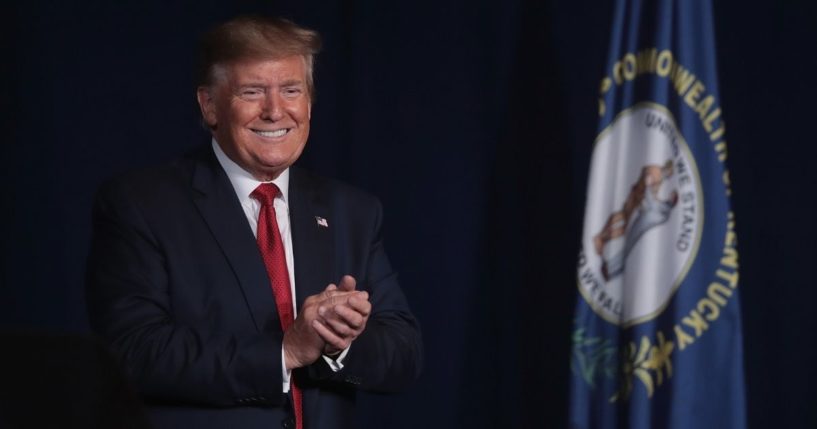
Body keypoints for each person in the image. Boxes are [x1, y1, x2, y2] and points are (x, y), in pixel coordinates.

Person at [86, 15, 422, 429]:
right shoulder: (141, 204)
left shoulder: (351, 211)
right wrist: (286, 352)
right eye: (252, 91)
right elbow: (132, 352)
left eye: (291, 90)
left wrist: (341, 342)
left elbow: (404, 354)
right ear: (209, 105)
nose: (275, 110)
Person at [593, 160, 678, 280]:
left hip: (641, 216)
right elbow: (645, 174)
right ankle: (603, 241)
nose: (670, 175)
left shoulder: (665, 209)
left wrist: (648, 189)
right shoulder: (656, 172)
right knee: (621, 223)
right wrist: (646, 185)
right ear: (668, 169)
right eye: (670, 172)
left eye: (672, 196)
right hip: (637, 201)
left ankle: (610, 267)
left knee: (626, 239)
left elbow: (652, 203)